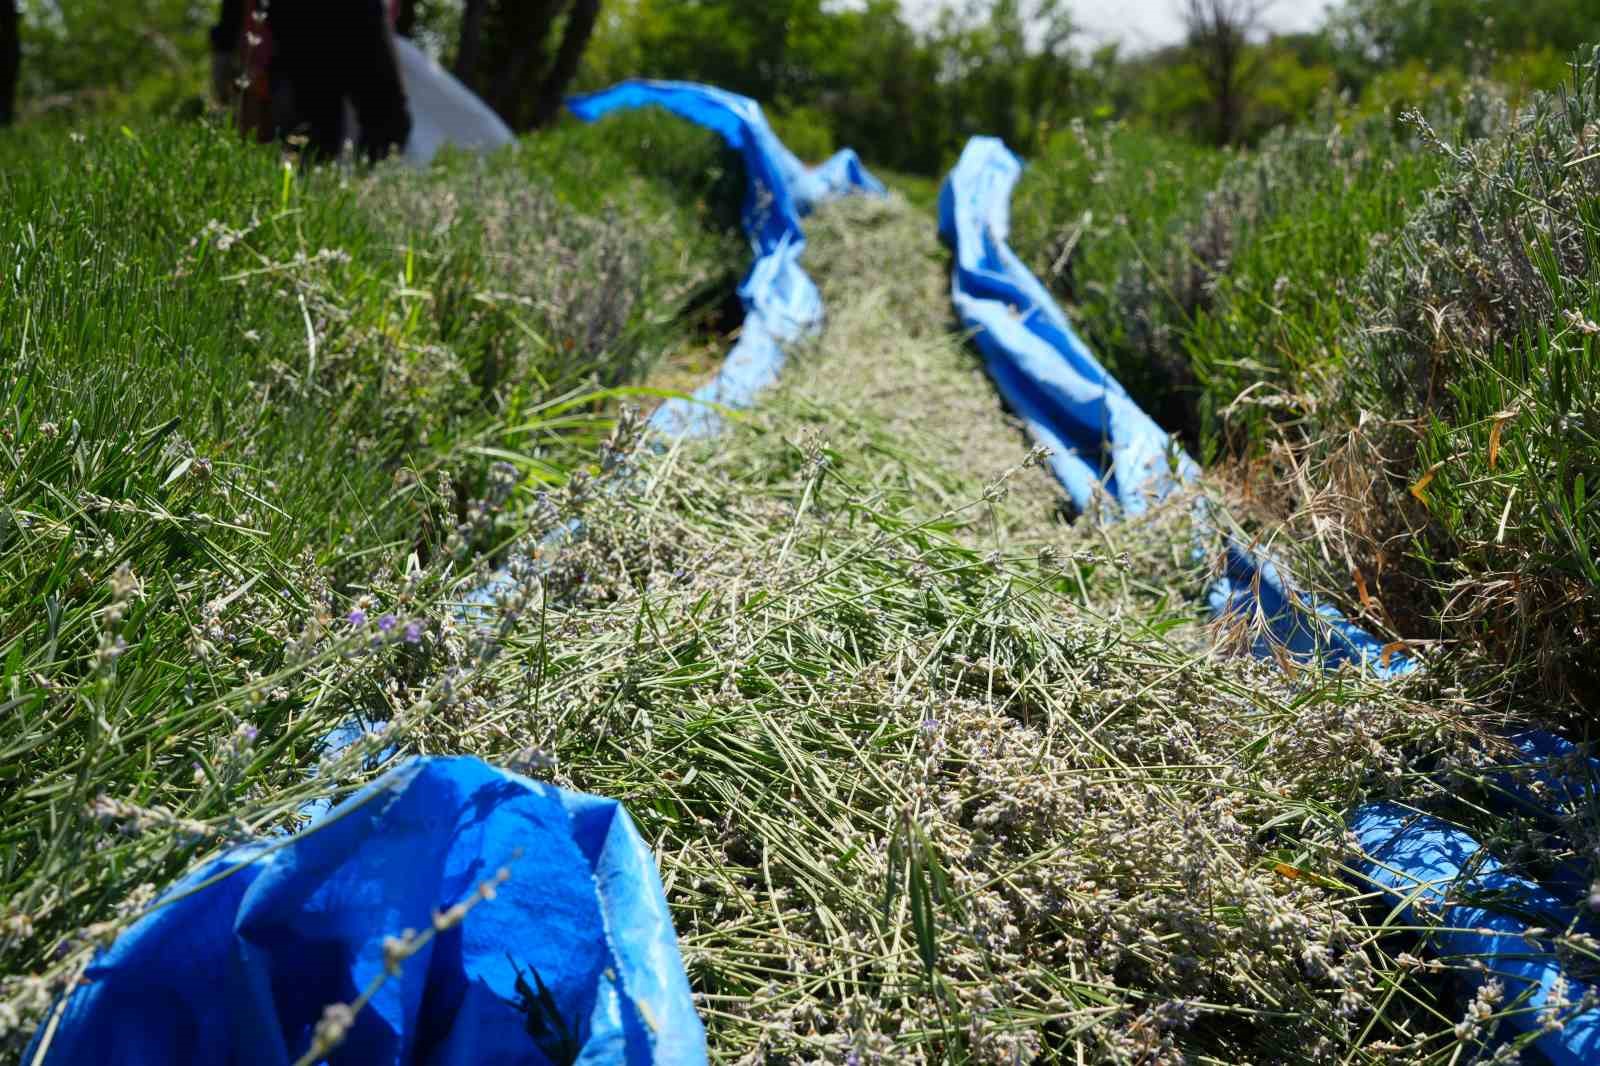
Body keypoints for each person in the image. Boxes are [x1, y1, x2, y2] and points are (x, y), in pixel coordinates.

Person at [211, 0, 412, 162]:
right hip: (300, 20)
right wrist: (225, 45)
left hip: (355, 14)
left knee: (388, 122)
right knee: (312, 132)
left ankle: (370, 184)